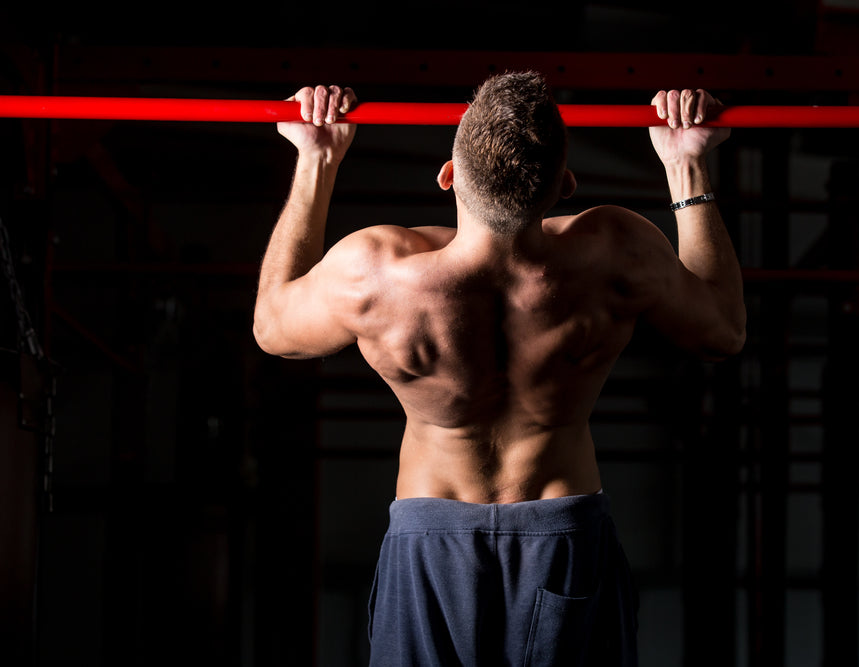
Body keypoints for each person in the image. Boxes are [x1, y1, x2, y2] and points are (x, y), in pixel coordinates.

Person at [253, 72, 745, 666]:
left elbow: (273, 329)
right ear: (565, 184)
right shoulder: (617, 251)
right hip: (562, 536)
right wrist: (686, 165)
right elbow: (722, 331)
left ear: (448, 175)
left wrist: (317, 160)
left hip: (430, 540)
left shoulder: (375, 272)